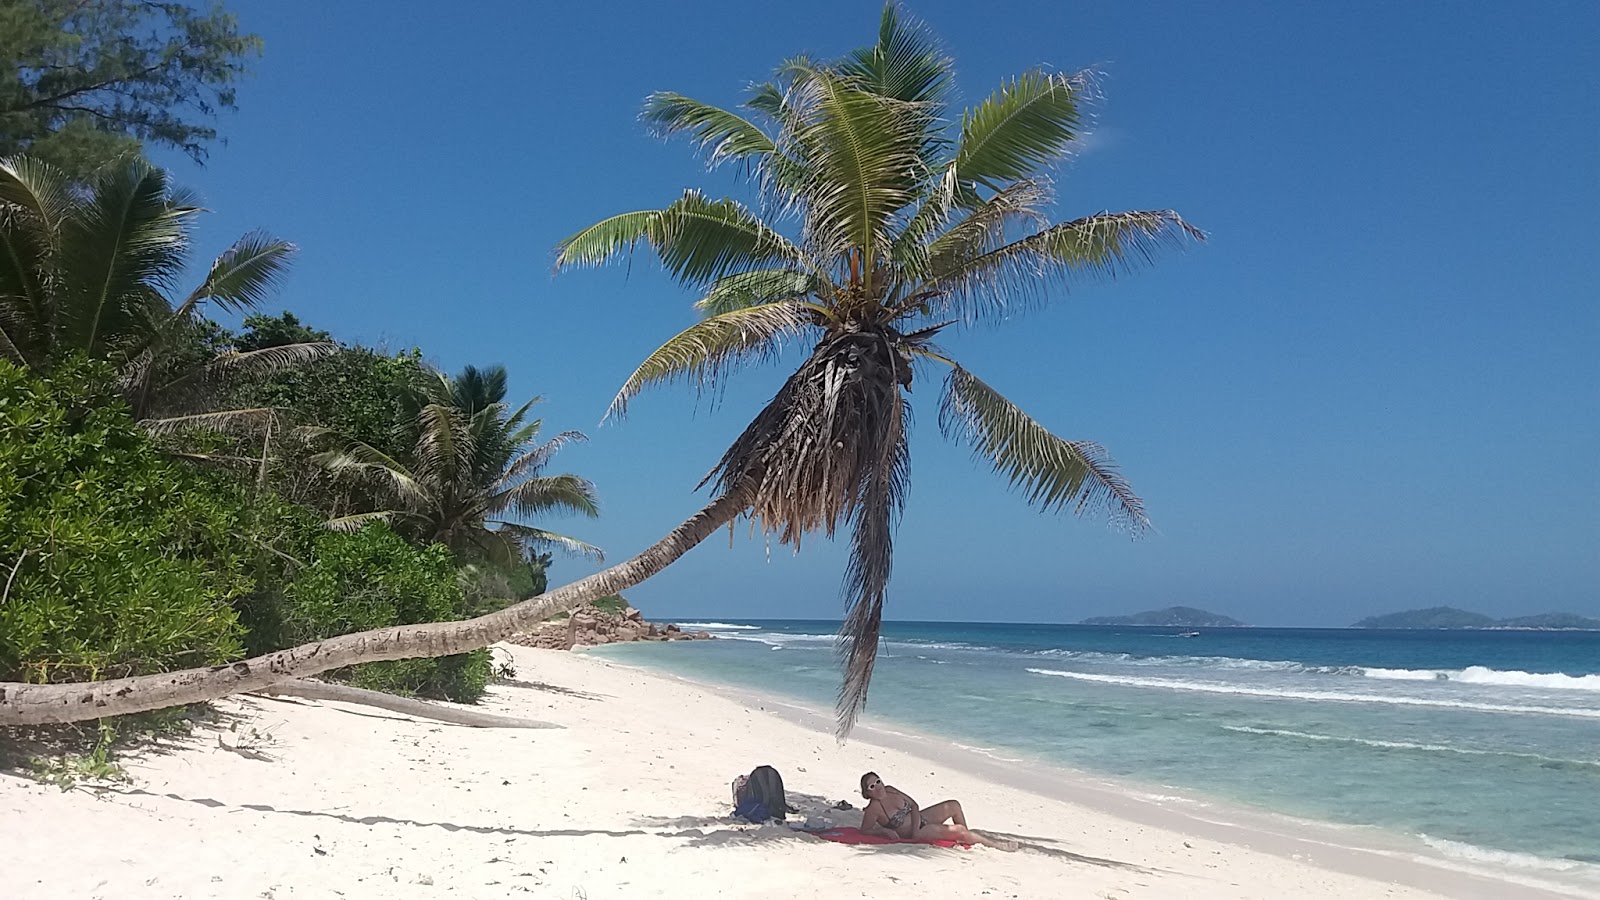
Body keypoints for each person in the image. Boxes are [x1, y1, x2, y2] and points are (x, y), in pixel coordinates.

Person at [858, 771, 1017, 850]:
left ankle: (967, 838)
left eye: (878, 781)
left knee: (954, 805)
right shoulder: (873, 809)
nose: (878, 787)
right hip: (918, 831)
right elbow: (864, 830)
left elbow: (913, 805)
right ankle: (996, 845)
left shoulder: (891, 790)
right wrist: (883, 832)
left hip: (919, 821)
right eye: (872, 786)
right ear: (867, 793)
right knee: (958, 830)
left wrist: (915, 827)